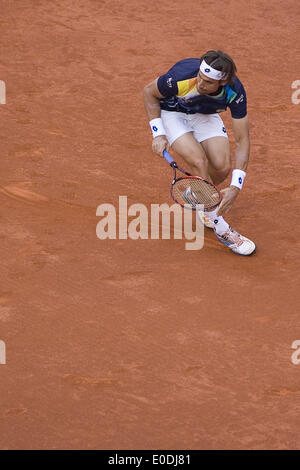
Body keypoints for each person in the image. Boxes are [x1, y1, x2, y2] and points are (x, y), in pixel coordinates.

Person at [143, 50, 256, 256]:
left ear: (222, 83)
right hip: (173, 113)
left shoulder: (235, 92)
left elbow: (242, 141)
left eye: (207, 82)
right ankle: (221, 229)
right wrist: (158, 133)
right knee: (199, 161)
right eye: (200, 78)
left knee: (221, 168)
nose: (200, 84)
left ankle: (197, 194)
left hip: (204, 114)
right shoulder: (181, 78)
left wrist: (235, 186)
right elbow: (148, 92)